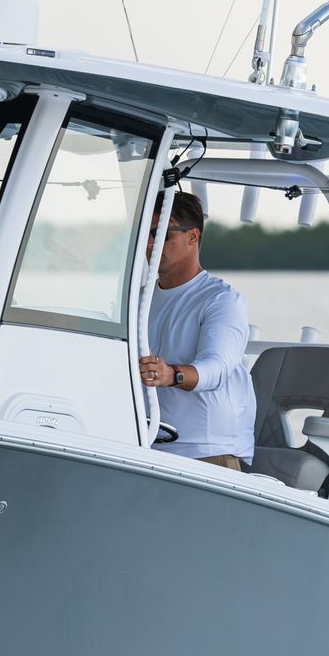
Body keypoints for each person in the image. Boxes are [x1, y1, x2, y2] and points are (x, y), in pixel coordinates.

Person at [137, 190, 255, 468]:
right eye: (146, 234)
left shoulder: (222, 300)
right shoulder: (138, 300)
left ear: (193, 237)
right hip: (146, 448)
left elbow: (217, 367)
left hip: (210, 454)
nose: (151, 243)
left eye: (162, 235)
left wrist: (170, 375)